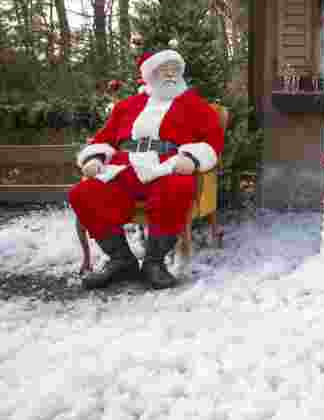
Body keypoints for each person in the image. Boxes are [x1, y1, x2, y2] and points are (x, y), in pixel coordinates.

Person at [70, 48, 225, 290]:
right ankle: (122, 260)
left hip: (168, 163)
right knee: (85, 192)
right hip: (125, 164)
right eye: (164, 70)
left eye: (175, 70)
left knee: (176, 187)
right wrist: (95, 157)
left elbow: (212, 139)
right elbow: (105, 138)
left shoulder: (195, 105)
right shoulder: (127, 106)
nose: (171, 74)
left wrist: (193, 159)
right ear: (150, 75)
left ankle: (154, 262)